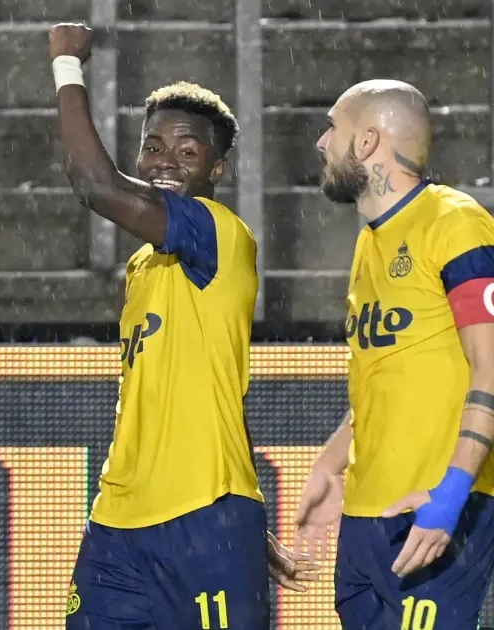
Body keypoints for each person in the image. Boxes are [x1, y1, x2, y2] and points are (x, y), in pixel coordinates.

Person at [48, 22, 317, 630]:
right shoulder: (143, 264)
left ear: (217, 169)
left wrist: (67, 66)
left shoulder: (218, 233)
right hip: (118, 523)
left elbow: (93, 182)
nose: (165, 161)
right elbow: (219, 387)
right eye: (153, 147)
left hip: (203, 519)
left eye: (187, 151)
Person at [293, 79, 494, 629]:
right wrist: (330, 464)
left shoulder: (456, 223)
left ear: (368, 141)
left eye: (334, 129)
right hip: (365, 517)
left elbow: (492, 371)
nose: (322, 142)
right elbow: (385, 377)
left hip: (431, 508)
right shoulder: (369, 241)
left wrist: (451, 496)